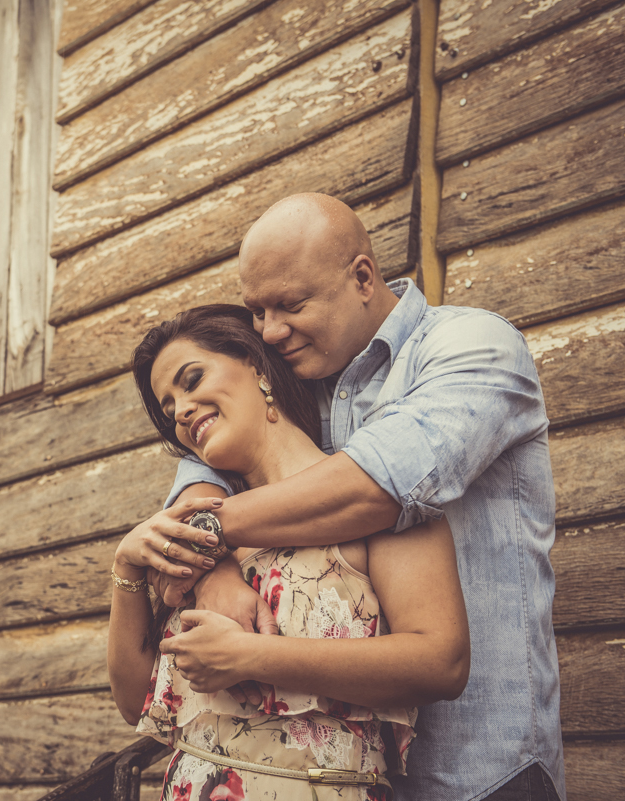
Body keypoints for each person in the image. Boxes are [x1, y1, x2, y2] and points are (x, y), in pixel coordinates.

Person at [132, 194, 564, 801]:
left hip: (482, 761)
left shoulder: (473, 346)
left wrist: (208, 537)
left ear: (362, 277)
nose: (271, 331)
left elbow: (376, 488)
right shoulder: (300, 379)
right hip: (358, 773)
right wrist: (216, 569)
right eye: (257, 311)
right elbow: (207, 464)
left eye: (290, 305)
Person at [109, 305, 470, 800]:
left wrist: (255, 656)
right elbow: (136, 704)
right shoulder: (199, 535)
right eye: (170, 410)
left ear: (257, 366)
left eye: (191, 381)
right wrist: (126, 569)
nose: (183, 411)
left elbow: (441, 664)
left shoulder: (377, 503)